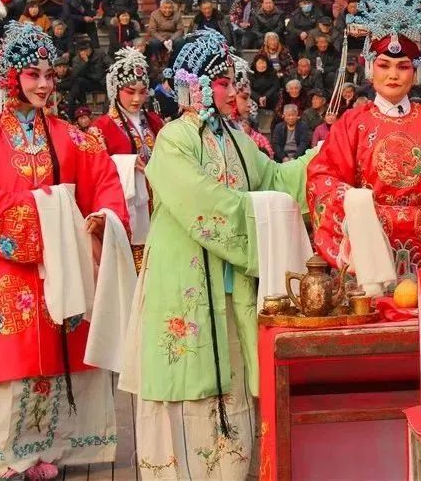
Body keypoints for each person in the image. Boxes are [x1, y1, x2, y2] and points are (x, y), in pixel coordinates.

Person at [120, 29, 314, 479]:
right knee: (188, 373)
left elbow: (276, 180)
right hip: (184, 275)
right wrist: (254, 214)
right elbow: (201, 202)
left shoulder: (237, 139)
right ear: (196, 86)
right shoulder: (174, 138)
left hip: (231, 283)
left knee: (233, 373)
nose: (232, 91)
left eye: (232, 82)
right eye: (222, 82)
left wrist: (322, 158)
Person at [0, 22, 130, 480]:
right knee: (15, 360)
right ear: (10, 77)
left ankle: (56, 448)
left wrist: (101, 219)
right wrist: (48, 214)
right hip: (10, 271)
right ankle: (7, 455)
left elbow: (104, 182)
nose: (45, 84)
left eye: (50, 74)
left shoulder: (74, 137)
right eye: (33, 74)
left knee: (62, 351)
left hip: (64, 265)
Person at [308, 0, 421, 272]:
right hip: (369, 244)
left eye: (403, 67)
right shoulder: (352, 123)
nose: (393, 75)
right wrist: (357, 209)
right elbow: (323, 177)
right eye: (384, 65)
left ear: (416, 71)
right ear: (370, 68)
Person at [90, 49, 164, 272]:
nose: (137, 99)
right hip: (126, 208)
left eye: (142, 92)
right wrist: (127, 164)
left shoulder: (155, 122)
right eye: (130, 92)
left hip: (157, 204)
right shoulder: (101, 128)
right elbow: (96, 171)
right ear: (115, 90)